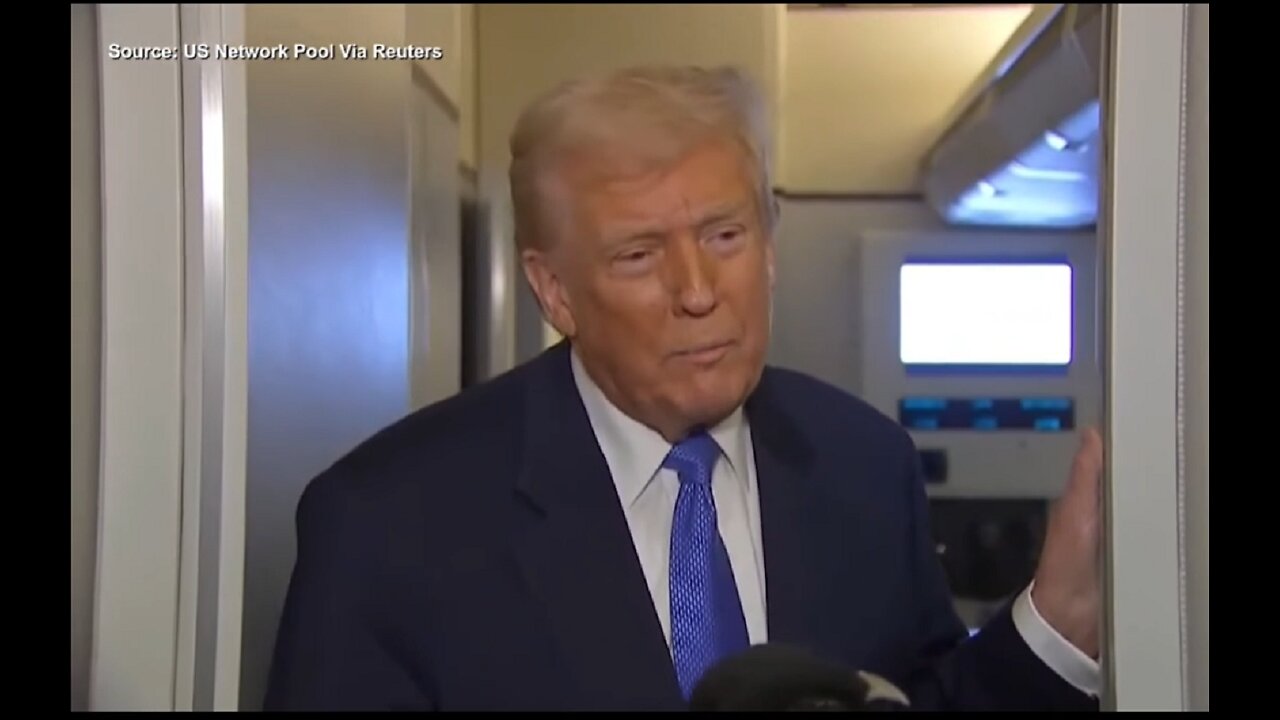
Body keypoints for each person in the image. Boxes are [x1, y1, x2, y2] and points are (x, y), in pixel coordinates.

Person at [262, 65, 1104, 711]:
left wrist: (1053, 627)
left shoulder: (865, 465)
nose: (699, 289)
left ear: (769, 247)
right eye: (638, 254)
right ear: (554, 291)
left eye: (726, 235)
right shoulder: (384, 524)